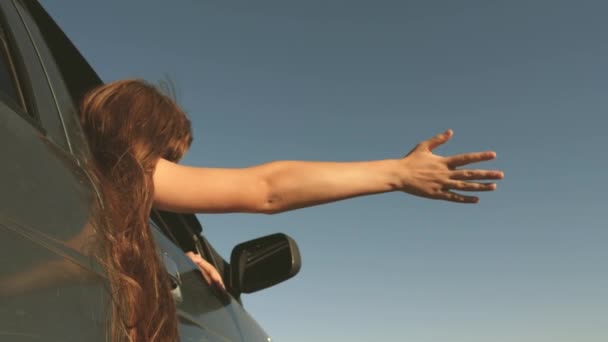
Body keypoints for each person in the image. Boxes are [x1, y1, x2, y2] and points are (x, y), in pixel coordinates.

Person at [77, 79, 503, 342]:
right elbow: (267, 188)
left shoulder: (79, 195)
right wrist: (397, 173)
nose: (169, 173)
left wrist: (163, 263)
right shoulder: (115, 173)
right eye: (168, 158)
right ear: (139, 139)